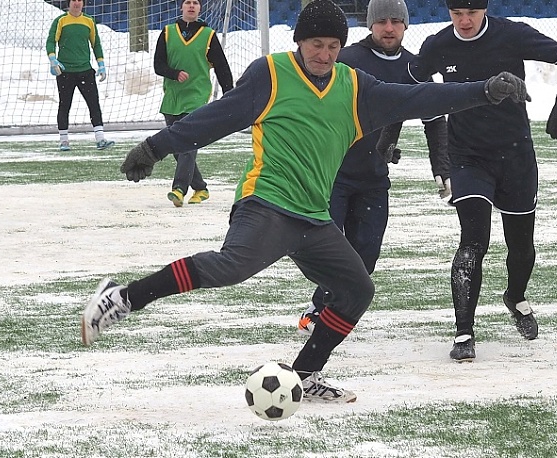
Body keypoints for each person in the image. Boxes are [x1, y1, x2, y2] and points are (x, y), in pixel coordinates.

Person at [81, 0, 529, 402]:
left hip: (314, 216)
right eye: (317, 44)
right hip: (268, 201)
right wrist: (157, 147)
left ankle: (305, 375)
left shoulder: (355, 88)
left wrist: (483, 90)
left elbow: (418, 96)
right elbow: (216, 117)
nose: (325, 54)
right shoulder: (271, 73)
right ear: (298, 41)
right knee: (231, 266)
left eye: (334, 46)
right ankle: (123, 298)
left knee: (357, 290)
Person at [399, 0, 557, 361]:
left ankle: (515, 297)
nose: (464, 21)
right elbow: (413, 84)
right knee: (472, 243)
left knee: (521, 246)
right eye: (456, 14)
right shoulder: (438, 45)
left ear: (484, 10)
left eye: (472, 13)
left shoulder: (511, 35)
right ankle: (464, 333)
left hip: (515, 156)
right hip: (467, 158)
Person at [296, 0, 451, 335]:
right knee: (330, 250)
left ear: (406, 25)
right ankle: (319, 311)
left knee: (365, 256)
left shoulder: (415, 69)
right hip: (330, 175)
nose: (389, 28)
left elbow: (434, 119)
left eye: (396, 21)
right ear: (370, 25)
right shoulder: (347, 59)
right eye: (382, 21)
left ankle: (328, 308)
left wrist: (442, 166)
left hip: (373, 177)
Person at [154, 0, 234, 207]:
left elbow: (222, 67)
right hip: (173, 96)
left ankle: (179, 188)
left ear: (200, 8)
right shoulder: (167, 32)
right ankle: (200, 187)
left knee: (188, 142)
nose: (191, 6)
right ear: (181, 7)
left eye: (195, 3)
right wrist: (174, 73)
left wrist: (231, 95)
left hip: (197, 95)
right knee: (176, 145)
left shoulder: (208, 35)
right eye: (188, 2)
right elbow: (158, 64)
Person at [46, 0, 114, 151]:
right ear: (69, 3)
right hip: (65, 73)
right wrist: (53, 60)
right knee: (65, 105)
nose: (76, 3)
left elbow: (96, 44)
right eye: (73, 0)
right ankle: (64, 141)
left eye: (79, 0)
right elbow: (51, 41)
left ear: (83, 3)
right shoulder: (60, 21)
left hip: (85, 71)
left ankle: (100, 139)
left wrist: (101, 64)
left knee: (94, 104)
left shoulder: (89, 21)